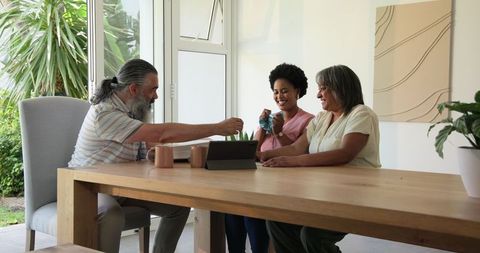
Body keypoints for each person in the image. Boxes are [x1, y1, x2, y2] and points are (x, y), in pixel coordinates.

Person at [68, 59, 243, 253]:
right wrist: (217, 128)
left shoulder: (131, 111)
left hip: (120, 186)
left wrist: (150, 151)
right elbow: (161, 134)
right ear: (133, 89)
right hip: (89, 187)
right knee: (112, 214)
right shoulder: (105, 114)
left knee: (177, 208)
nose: (156, 96)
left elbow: (152, 141)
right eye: (152, 89)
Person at [259, 65, 381, 253]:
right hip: (322, 194)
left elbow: (345, 153)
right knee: (277, 222)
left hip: (353, 196)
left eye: (323, 88)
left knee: (313, 236)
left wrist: (293, 162)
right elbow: (296, 148)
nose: (318, 95)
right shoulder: (322, 118)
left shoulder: (361, 113)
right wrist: (262, 156)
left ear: (340, 88)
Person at [225, 63, 314, 253]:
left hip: (288, 185)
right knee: (231, 210)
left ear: (297, 91)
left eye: (284, 91)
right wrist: (263, 127)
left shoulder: (309, 120)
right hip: (260, 181)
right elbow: (253, 150)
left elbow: (297, 150)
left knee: (251, 214)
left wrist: (280, 133)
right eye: (275, 92)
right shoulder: (273, 118)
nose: (279, 96)